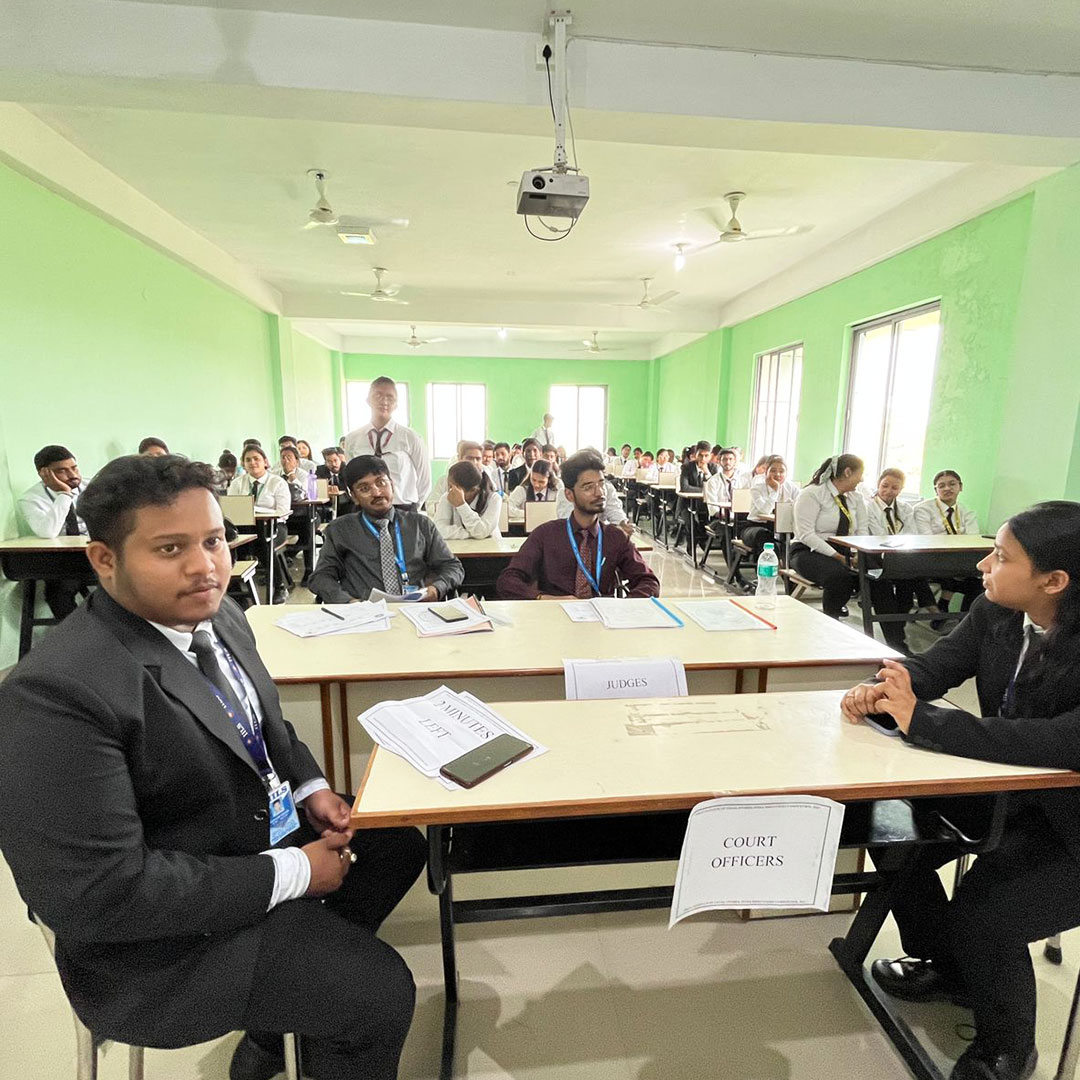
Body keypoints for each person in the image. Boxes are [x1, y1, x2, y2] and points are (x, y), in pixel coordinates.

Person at [0, 454, 426, 1080]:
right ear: (104, 560)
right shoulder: (55, 694)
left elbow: (262, 722)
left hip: (239, 838)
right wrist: (292, 872)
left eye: (214, 540)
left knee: (394, 845)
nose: (205, 566)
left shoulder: (217, 613)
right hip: (157, 947)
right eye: (171, 548)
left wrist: (309, 789)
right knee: (377, 993)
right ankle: (290, 1016)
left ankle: (274, 1024)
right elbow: (102, 895)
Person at [841, 501, 1080, 1080]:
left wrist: (924, 721)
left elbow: (1061, 742)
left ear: (1053, 581)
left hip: (1072, 823)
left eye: (1000, 557)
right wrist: (884, 689)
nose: (982, 565)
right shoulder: (996, 611)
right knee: (895, 832)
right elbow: (935, 666)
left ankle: (1009, 1047)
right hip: (1012, 794)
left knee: (986, 911)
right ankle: (951, 967)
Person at [497, 451, 659, 600]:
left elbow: (649, 582)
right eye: (588, 487)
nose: (599, 493)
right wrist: (543, 598)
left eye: (601, 484)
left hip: (602, 621)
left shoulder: (614, 537)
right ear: (569, 495)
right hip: (556, 619)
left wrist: (622, 608)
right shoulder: (546, 535)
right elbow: (507, 581)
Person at [308, 455, 463, 603]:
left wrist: (437, 588)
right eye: (364, 488)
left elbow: (453, 567)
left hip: (416, 610)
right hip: (364, 613)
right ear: (354, 496)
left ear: (392, 485)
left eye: (381, 483)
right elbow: (320, 577)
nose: (376, 492)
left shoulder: (420, 525)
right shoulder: (340, 530)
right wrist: (348, 602)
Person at [790, 454, 866, 619]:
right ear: (847, 472)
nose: (861, 479)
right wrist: (838, 556)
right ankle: (831, 619)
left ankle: (895, 638)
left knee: (880, 576)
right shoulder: (812, 493)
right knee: (839, 576)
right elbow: (806, 534)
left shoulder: (856, 498)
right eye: (859, 474)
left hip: (845, 551)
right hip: (808, 551)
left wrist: (858, 553)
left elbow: (862, 531)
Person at [17, 444, 89, 619]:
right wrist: (64, 494)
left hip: (96, 555)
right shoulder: (31, 499)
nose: (72, 475)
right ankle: (81, 640)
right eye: (63, 471)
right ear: (44, 473)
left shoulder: (92, 488)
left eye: (74, 468)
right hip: (62, 562)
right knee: (59, 593)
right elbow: (48, 531)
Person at [343, 377, 431, 511]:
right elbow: (352, 478)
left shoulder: (410, 437)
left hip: (402, 508)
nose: (384, 401)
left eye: (390, 398)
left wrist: (413, 510)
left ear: (396, 404)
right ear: (368, 400)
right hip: (366, 509)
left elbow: (424, 479)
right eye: (378, 395)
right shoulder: (353, 438)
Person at [914, 469, 984, 615]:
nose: (947, 489)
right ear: (936, 490)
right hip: (931, 559)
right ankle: (941, 611)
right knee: (952, 572)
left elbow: (973, 539)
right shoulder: (923, 509)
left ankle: (963, 624)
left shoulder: (966, 511)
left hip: (959, 561)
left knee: (978, 584)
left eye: (952, 484)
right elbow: (928, 540)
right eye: (941, 486)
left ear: (960, 487)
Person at [228, 447, 292, 602]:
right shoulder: (237, 483)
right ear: (243, 464)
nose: (252, 462)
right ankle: (235, 590)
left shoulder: (277, 482)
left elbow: (283, 510)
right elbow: (231, 509)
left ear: (265, 462)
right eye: (248, 460)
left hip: (274, 528)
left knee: (265, 542)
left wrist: (254, 509)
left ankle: (279, 587)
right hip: (244, 528)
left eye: (256, 458)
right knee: (231, 544)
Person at [740, 455, 801, 561]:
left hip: (782, 528)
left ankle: (788, 571)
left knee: (797, 540)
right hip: (755, 527)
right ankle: (766, 572)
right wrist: (775, 490)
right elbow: (765, 510)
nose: (778, 474)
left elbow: (799, 506)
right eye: (773, 471)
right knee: (765, 538)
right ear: (766, 472)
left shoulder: (792, 488)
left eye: (782, 471)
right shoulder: (757, 488)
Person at [434, 461, 502, 540]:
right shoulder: (447, 497)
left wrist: (461, 505)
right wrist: (469, 534)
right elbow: (439, 530)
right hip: (460, 549)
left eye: (452, 486)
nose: (450, 490)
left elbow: (481, 532)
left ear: (473, 490)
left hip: (490, 548)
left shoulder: (494, 499)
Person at [703, 447, 747, 512]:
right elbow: (713, 508)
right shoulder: (713, 481)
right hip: (719, 518)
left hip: (738, 517)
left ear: (735, 461)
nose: (728, 462)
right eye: (724, 459)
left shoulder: (742, 481)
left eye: (730, 459)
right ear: (719, 461)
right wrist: (726, 517)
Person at [316, 446, 352, 512]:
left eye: (335, 460)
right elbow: (318, 486)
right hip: (328, 503)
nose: (333, 464)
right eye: (329, 461)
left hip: (348, 502)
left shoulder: (347, 469)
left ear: (340, 459)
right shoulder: (320, 470)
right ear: (325, 463)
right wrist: (326, 487)